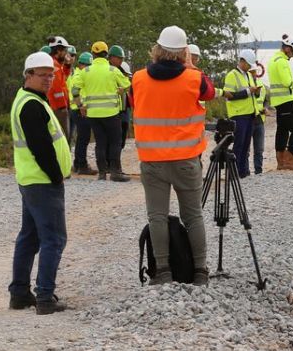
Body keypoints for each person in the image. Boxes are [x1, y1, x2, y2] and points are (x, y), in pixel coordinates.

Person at [131, 26, 216, 285]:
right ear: (184, 53)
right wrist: (191, 67)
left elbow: (135, 103)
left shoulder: (138, 78)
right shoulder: (193, 78)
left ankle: (164, 270)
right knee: (193, 216)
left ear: (157, 49)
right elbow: (210, 93)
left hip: (153, 161)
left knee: (156, 216)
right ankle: (200, 271)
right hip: (186, 160)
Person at [9, 51, 72, 315]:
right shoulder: (31, 105)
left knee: (30, 237)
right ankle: (45, 296)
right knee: (54, 238)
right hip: (42, 181)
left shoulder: (29, 100)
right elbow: (41, 147)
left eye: (51, 75)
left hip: (31, 179)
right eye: (43, 76)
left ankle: (20, 293)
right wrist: (56, 175)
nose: (48, 80)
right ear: (28, 75)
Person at [75, 41, 131, 181]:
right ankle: (115, 172)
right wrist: (120, 90)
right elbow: (127, 84)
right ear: (107, 54)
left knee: (100, 142)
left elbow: (75, 89)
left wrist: (80, 105)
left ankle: (102, 173)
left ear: (93, 54)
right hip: (111, 114)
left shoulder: (86, 71)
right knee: (115, 142)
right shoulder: (113, 70)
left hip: (93, 115)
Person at [267, 35, 293, 171]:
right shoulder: (282, 62)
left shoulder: (273, 59)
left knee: (282, 131)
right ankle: (290, 160)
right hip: (287, 101)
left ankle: (281, 163)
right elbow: (286, 82)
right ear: (287, 48)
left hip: (278, 102)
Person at [222, 49, 262, 177]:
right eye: (249, 64)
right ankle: (233, 173)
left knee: (245, 145)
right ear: (242, 61)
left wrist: (256, 92)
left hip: (249, 114)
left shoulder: (249, 75)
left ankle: (242, 172)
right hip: (238, 115)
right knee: (238, 145)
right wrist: (248, 92)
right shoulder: (231, 75)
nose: (250, 67)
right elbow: (229, 96)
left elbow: (252, 94)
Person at [69, 52, 96, 174]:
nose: (89, 68)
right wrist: (80, 106)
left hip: (79, 109)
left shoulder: (79, 74)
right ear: (81, 64)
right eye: (87, 65)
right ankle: (82, 165)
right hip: (79, 109)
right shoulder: (79, 76)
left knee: (81, 138)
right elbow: (76, 93)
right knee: (83, 139)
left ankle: (77, 164)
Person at [46, 36, 73, 139]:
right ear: (58, 50)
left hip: (56, 106)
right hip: (58, 108)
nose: (66, 53)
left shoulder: (55, 64)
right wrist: (63, 108)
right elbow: (57, 90)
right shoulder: (55, 66)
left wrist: (67, 65)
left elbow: (64, 78)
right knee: (63, 138)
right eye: (65, 50)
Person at [251, 57, 269, 174]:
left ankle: (259, 171)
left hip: (260, 120)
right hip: (248, 119)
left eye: (254, 71)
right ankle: (244, 172)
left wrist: (265, 108)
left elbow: (265, 100)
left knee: (259, 149)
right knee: (245, 149)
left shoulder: (261, 84)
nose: (253, 73)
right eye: (251, 71)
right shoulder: (246, 84)